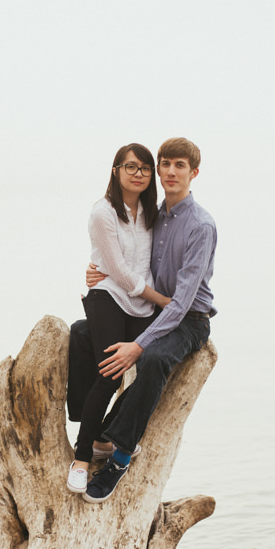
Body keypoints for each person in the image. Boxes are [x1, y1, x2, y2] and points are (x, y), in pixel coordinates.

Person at [68, 137, 216, 503]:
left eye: (179, 165)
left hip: (188, 319)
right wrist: (97, 273)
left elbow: (180, 305)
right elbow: (129, 262)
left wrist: (139, 344)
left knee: (151, 359)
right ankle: (89, 426)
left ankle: (118, 454)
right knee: (80, 332)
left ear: (193, 173)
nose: (169, 171)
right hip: (155, 309)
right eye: (165, 163)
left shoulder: (201, 226)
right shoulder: (156, 214)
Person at [66, 143, 171, 495]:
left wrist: (160, 302)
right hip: (109, 294)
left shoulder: (151, 212)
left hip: (141, 304)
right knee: (110, 372)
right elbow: (122, 274)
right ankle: (82, 459)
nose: (138, 174)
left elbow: (152, 263)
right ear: (116, 171)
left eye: (144, 169)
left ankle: (108, 434)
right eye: (130, 167)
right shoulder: (103, 212)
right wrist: (163, 301)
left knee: (150, 369)